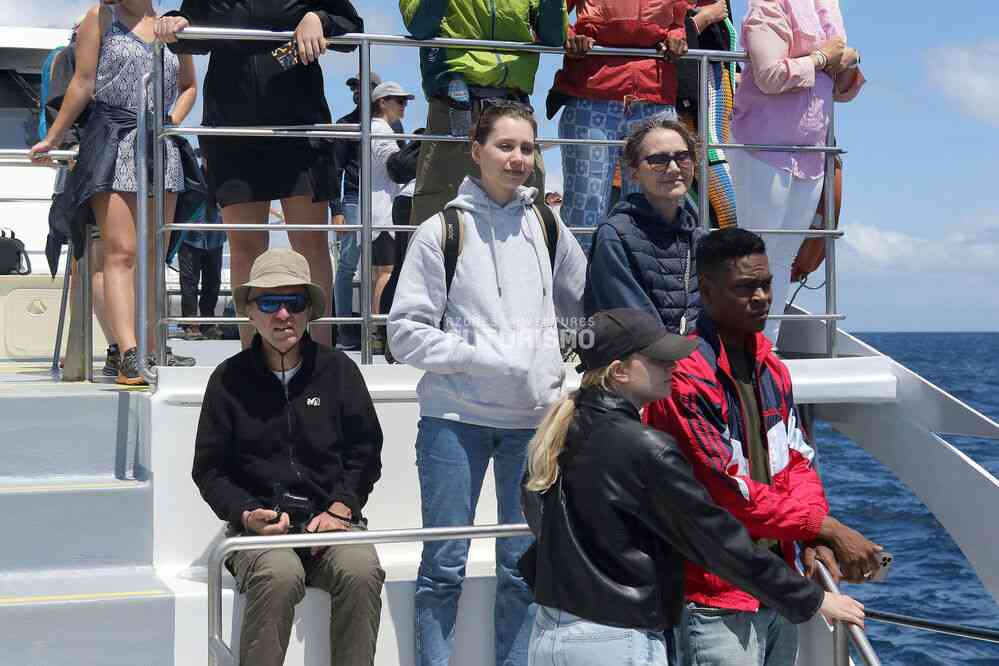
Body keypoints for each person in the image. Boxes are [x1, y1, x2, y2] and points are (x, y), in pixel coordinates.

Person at [522, 308, 865, 665]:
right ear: (619, 371)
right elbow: (715, 539)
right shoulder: (646, 448)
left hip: (552, 631)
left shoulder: (559, 431)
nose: (672, 366)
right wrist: (812, 598)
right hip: (617, 638)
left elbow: (537, 511)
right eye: (657, 359)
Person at [387, 101, 586, 666]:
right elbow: (404, 334)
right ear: (476, 152)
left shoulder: (548, 226)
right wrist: (488, 359)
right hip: (454, 423)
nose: (518, 158)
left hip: (532, 425)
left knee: (523, 570)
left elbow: (582, 302)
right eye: (505, 146)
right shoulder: (440, 231)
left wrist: (553, 363)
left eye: (527, 147)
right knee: (443, 569)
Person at [644, 227, 883, 666]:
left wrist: (809, 533)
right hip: (715, 594)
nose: (761, 297)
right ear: (708, 291)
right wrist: (824, 528)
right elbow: (725, 492)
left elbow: (798, 462)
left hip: (776, 587)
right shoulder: (685, 378)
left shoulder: (772, 367)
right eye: (745, 287)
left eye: (766, 284)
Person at [193, 247, 385, 666]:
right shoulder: (227, 381)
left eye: (294, 303)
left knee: (360, 569)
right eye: (269, 303)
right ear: (251, 312)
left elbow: (366, 452)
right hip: (259, 533)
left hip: (331, 525)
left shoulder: (339, 372)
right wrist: (247, 515)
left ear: (308, 311)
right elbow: (210, 471)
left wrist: (340, 508)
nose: (283, 315)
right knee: (279, 576)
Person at [156, 0, 365, 349]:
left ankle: (323, 353)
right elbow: (193, 28)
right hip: (233, 132)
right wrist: (174, 24)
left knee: (310, 242)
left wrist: (319, 19)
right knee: (245, 247)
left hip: (299, 130)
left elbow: (351, 29)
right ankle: (250, 355)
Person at [32, 0, 199, 385]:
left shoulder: (174, 25)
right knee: (120, 252)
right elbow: (83, 83)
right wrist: (54, 137)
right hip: (113, 140)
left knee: (154, 254)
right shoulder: (100, 18)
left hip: (161, 145)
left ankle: (153, 349)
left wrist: (170, 121)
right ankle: (128, 353)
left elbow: (189, 87)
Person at [729, 0, 864, 346]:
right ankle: (742, 346)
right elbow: (770, 76)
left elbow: (839, 87)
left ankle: (766, 349)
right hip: (763, 145)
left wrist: (849, 60)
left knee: (784, 254)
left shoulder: (828, 7)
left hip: (811, 150)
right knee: (756, 251)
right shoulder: (766, 7)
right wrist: (821, 59)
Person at [399, 0, 567, 226]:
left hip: (515, 104)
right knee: (440, 215)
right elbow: (420, 25)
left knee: (527, 211)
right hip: (455, 106)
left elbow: (554, 36)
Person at [548, 0, 689, 254]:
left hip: (653, 98)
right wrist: (569, 37)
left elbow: (678, 22)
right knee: (585, 210)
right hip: (591, 95)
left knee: (653, 207)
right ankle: (579, 290)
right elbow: (546, 15)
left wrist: (677, 37)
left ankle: (648, 286)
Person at [583, 118, 703, 334]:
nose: (674, 168)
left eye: (683, 157)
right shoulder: (614, 236)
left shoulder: (699, 239)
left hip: (694, 361)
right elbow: (634, 322)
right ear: (634, 171)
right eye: (658, 160)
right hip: (641, 362)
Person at [330, 71, 382, 351]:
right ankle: (344, 331)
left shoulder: (390, 127)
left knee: (381, 266)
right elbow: (334, 170)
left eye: (362, 88)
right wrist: (336, 209)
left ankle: (375, 331)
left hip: (382, 202)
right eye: (354, 87)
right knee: (347, 265)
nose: (356, 92)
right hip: (352, 199)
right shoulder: (345, 125)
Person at [676, 0, 738, 229]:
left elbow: (721, 38)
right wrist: (702, 20)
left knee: (711, 211)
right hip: (690, 98)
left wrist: (737, 73)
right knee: (731, 207)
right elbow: (654, 32)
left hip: (718, 89)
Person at [368, 81, 415, 353]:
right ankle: (380, 332)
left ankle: (376, 330)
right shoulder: (379, 129)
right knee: (387, 271)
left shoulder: (380, 128)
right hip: (383, 207)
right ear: (382, 102)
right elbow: (393, 164)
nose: (403, 105)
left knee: (380, 273)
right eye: (398, 100)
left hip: (377, 206)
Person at [177, 159, 226, 341]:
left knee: (213, 282)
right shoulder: (191, 177)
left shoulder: (222, 177)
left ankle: (208, 322)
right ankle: (190, 324)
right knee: (189, 281)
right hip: (190, 236)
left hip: (215, 236)